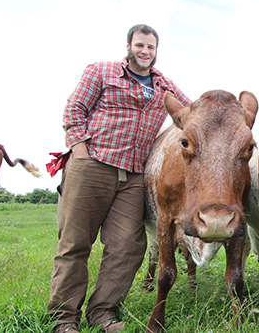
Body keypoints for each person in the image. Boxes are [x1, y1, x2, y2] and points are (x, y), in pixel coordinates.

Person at [47, 24, 191, 333]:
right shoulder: (100, 71)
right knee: (75, 243)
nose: (145, 51)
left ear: (156, 51)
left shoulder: (164, 85)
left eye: (151, 47)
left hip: (133, 176)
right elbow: (74, 110)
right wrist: (81, 152)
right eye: (140, 45)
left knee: (127, 246)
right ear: (129, 45)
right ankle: (64, 318)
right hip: (93, 166)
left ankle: (102, 313)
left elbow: (191, 113)